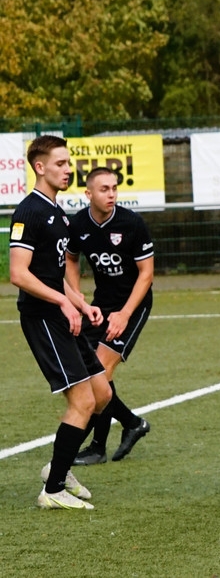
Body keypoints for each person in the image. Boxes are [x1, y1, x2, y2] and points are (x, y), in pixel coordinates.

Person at [9, 135, 111, 510]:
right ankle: (53, 490)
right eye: (61, 164)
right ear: (40, 167)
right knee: (82, 400)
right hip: (43, 318)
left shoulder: (58, 212)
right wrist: (62, 302)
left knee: (102, 394)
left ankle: (59, 466)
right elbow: (19, 274)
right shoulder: (30, 212)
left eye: (69, 163)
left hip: (63, 314)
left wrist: (80, 302)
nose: (68, 170)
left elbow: (53, 274)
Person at [65, 167, 153, 465]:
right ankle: (131, 423)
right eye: (104, 189)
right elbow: (71, 258)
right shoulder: (79, 224)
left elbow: (146, 274)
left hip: (133, 305)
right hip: (101, 304)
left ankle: (97, 447)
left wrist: (125, 314)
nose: (111, 194)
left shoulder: (132, 223)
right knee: (89, 371)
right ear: (88, 194)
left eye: (114, 188)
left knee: (99, 371)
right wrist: (76, 297)